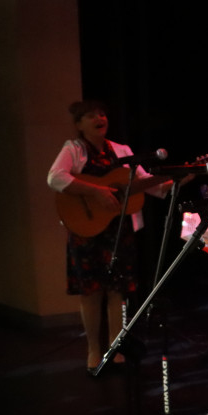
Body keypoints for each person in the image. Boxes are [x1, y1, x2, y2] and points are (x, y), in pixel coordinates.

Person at [47, 100, 175, 374]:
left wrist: (175, 181)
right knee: (91, 292)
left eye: (102, 113)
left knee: (118, 290)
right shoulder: (74, 149)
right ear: (79, 124)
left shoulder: (123, 151)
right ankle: (94, 349)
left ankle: (115, 347)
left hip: (119, 230)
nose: (99, 118)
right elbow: (55, 178)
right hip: (87, 231)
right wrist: (96, 192)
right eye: (90, 116)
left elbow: (146, 185)